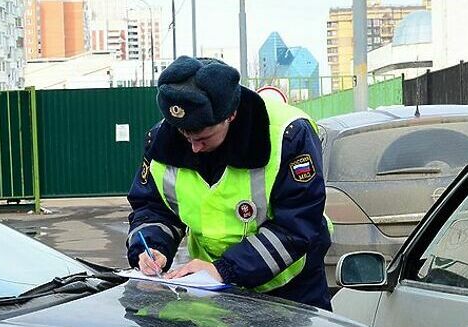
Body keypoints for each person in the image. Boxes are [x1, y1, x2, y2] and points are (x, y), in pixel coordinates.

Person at [126, 56, 331, 310]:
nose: (193, 146)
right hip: (211, 290)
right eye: (184, 133)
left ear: (231, 115)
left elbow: (297, 226)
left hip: (292, 290)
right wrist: (152, 247)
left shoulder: (288, 135)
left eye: (203, 136)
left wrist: (223, 269)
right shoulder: (162, 140)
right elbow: (152, 208)